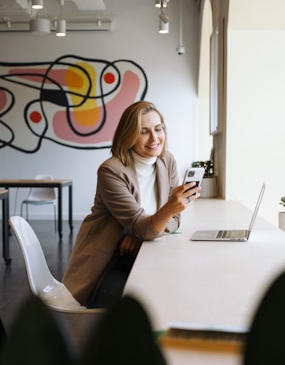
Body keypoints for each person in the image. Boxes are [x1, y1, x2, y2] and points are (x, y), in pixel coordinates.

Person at [62, 101, 201, 308]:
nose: (154, 138)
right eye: (143, 132)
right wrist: (153, 223)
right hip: (112, 261)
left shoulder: (167, 161)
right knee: (138, 308)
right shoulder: (111, 171)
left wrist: (142, 233)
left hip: (143, 253)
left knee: (183, 291)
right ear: (128, 135)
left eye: (158, 129)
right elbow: (148, 224)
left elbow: (175, 221)